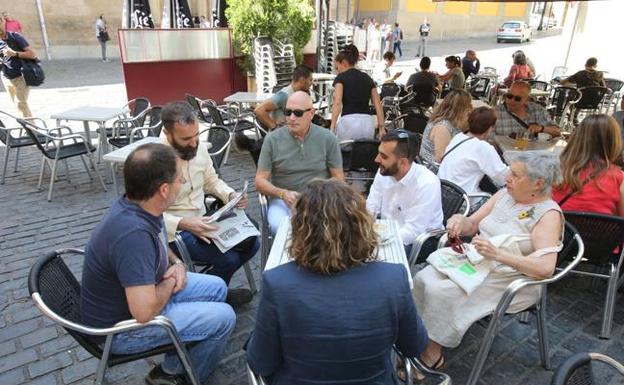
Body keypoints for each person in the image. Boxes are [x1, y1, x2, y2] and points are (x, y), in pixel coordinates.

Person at [81, 143, 236, 385]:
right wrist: (172, 281)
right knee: (224, 317)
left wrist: (176, 263)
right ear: (164, 189)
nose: (184, 179)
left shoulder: (141, 206)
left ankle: (175, 363)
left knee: (217, 287)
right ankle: (183, 376)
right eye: (178, 177)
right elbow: (143, 313)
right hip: (121, 330)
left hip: (146, 291)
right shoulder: (132, 235)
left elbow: (158, 242)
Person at [246, 179, 429, 384]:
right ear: (362, 226)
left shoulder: (277, 282)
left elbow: (261, 362)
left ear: (300, 230)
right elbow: (414, 346)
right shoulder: (393, 278)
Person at [414, 151, 564, 369]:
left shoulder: (548, 215)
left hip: (511, 279)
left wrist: (499, 254)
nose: (507, 178)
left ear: (538, 183)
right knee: (423, 278)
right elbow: (473, 224)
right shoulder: (505, 194)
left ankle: (432, 355)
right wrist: (459, 221)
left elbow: (545, 268)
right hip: (478, 261)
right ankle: (417, 338)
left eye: (515, 175)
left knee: (442, 292)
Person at [160, 101, 260, 305]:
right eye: (186, 139)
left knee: (253, 241)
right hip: (173, 233)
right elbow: (143, 214)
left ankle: (212, 292)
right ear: (167, 133)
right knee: (228, 259)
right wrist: (182, 223)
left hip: (204, 219)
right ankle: (214, 296)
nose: (194, 143)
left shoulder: (199, 147)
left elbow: (211, 180)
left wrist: (230, 195)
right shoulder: (153, 160)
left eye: (196, 135)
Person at [255, 91, 344, 234]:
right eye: (287, 112)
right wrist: (283, 193)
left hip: (320, 200)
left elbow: (339, 179)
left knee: (329, 227)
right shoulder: (272, 139)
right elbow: (259, 181)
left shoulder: (328, 138)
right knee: (279, 227)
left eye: (298, 113)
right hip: (283, 201)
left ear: (311, 113)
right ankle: (286, 256)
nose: (291, 118)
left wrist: (318, 197)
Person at [367, 130, 444, 250]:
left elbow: (413, 232)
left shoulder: (426, 183)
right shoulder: (384, 171)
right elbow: (371, 206)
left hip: (421, 241)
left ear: (403, 162)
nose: (376, 160)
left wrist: (375, 242)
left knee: (376, 259)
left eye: (383, 156)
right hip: (387, 230)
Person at [552, 114, 624, 216]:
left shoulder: (554, 169)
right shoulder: (619, 178)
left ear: (576, 137)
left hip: (559, 230)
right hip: (600, 231)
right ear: (613, 141)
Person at [438, 107, 508, 194]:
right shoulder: (482, 147)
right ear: (489, 129)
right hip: (463, 199)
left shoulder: (459, 137)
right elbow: (503, 178)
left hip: (442, 191)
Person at [330, 44, 385, 141]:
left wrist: (333, 125)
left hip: (348, 122)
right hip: (367, 124)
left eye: (337, 67)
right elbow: (378, 104)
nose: (337, 71)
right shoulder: (367, 78)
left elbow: (337, 103)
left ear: (344, 63)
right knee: (363, 153)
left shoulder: (340, 78)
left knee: (345, 154)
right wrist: (381, 127)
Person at [419, 89, 472, 167]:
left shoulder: (451, 121)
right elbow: (441, 158)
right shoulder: (442, 127)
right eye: (468, 105)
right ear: (460, 108)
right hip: (435, 170)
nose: (471, 108)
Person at [254, 65, 313, 131]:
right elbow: (259, 110)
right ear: (302, 80)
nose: (312, 83)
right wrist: (274, 128)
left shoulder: (301, 94)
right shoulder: (284, 95)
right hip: (283, 137)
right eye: (310, 80)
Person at [493, 80, 560, 138]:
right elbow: (488, 142)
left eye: (517, 98)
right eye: (509, 96)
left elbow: (557, 132)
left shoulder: (537, 110)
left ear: (527, 99)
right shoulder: (495, 113)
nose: (512, 100)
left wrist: (541, 129)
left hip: (533, 151)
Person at [0, 15, 36, 117]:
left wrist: (15, 53)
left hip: (22, 76)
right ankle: (31, 129)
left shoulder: (15, 37)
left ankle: (32, 131)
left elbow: (32, 54)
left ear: (3, 22)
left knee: (20, 103)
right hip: (6, 78)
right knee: (19, 106)